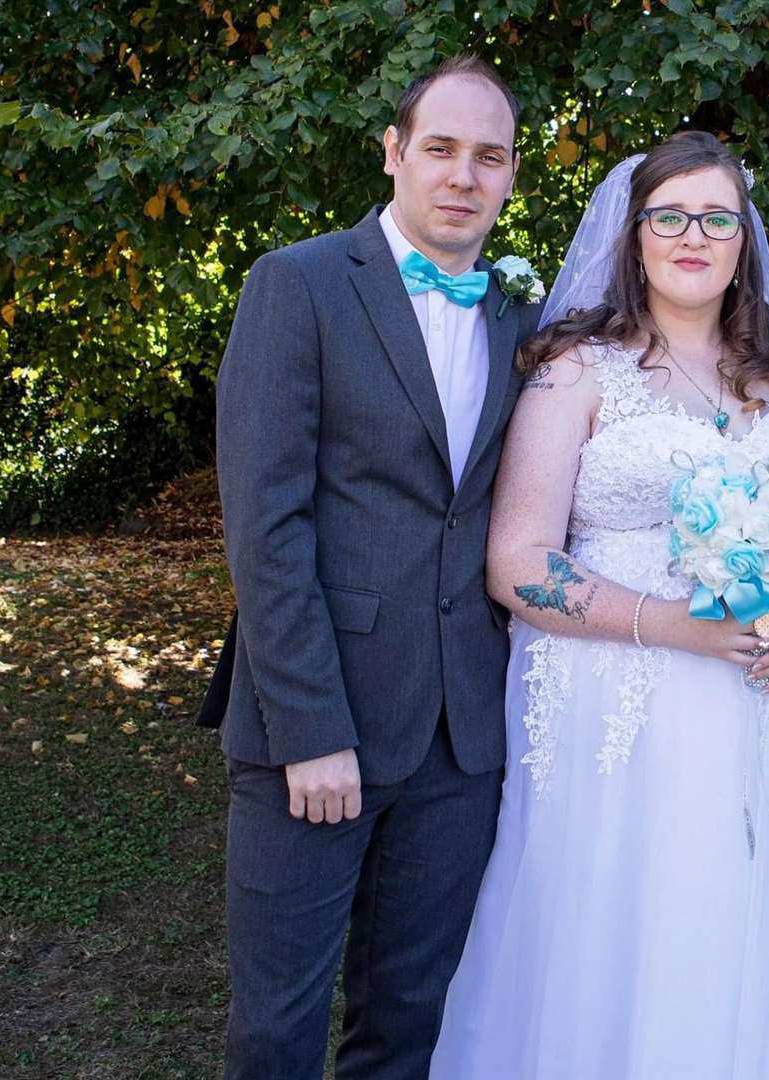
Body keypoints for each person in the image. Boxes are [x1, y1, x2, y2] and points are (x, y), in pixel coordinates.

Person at [430, 132, 769, 1079]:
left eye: (718, 218)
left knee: (757, 918)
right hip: (615, 703)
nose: (693, 236)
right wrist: (673, 626)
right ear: (634, 235)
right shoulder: (578, 370)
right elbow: (516, 561)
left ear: (744, 240)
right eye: (670, 217)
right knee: (625, 925)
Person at [205, 55, 542, 1079]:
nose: (462, 176)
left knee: (408, 1024)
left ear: (512, 175)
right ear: (394, 153)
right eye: (439, 148)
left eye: (488, 157)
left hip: (459, 741)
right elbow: (265, 527)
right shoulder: (297, 284)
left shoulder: (522, 314)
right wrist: (310, 731)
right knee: (279, 1029)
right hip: (318, 726)